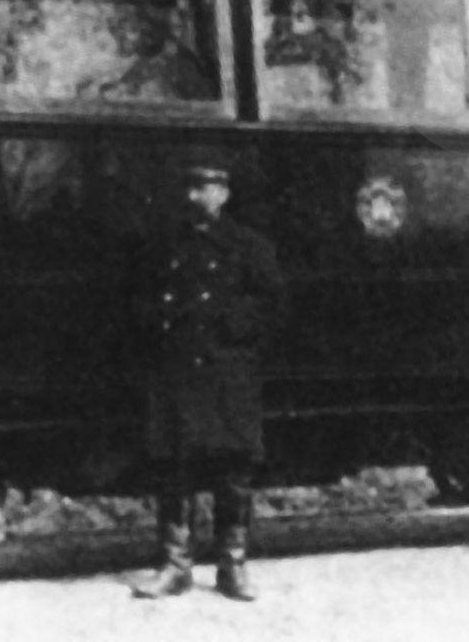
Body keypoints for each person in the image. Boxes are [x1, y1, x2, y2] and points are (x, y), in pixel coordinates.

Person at [125, 150, 285, 601]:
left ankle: (233, 567)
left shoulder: (248, 246)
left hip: (227, 374)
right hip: (177, 373)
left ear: (225, 194)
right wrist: (158, 324)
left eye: (207, 188)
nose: (197, 196)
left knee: (233, 475)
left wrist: (232, 325)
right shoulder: (164, 246)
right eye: (192, 188)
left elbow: (273, 305)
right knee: (175, 473)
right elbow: (138, 299)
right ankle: (174, 566)